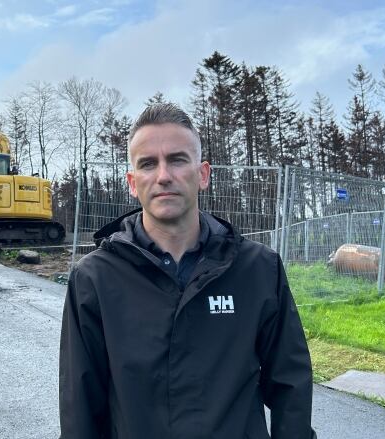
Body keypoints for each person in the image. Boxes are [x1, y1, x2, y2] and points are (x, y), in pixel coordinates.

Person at [59, 103, 315, 439]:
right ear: (133, 183)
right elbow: (81, 405)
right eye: (148, 164)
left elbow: (290, 384)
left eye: (177, 159)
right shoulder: (94, 279)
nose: (163, 175)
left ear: (203, 174)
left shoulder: (258, 270)